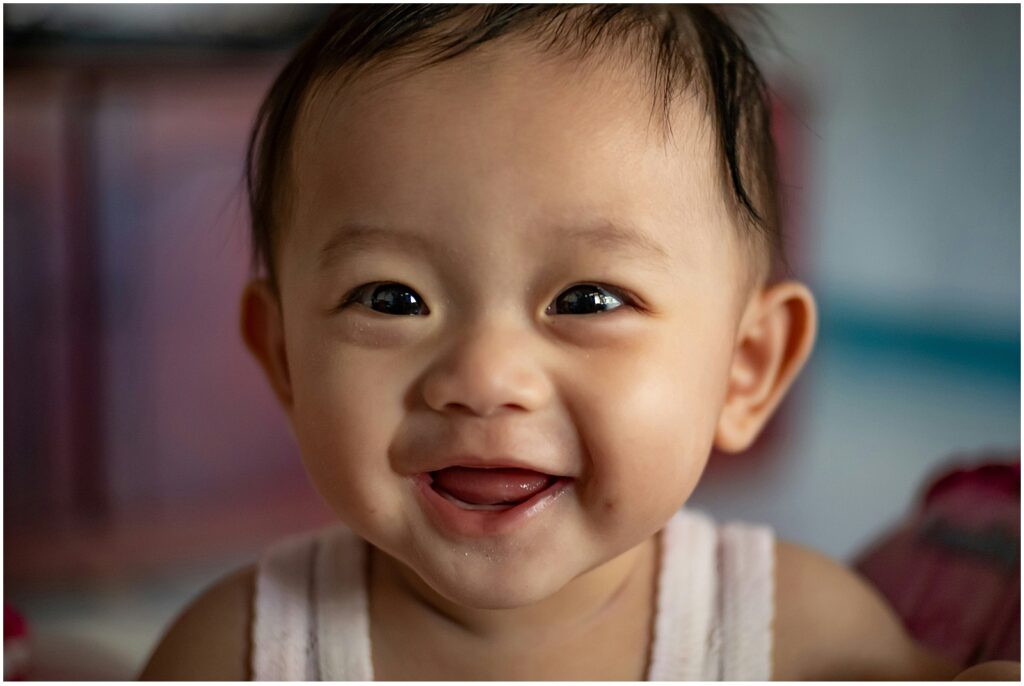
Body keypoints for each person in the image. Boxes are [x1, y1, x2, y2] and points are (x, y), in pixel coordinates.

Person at [141, 5, 1018, 680]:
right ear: (286, 357)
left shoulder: (803, 636)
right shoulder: (241, 651)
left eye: (588, 297)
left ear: (746, 368)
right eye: (393, 297)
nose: (483, 378)